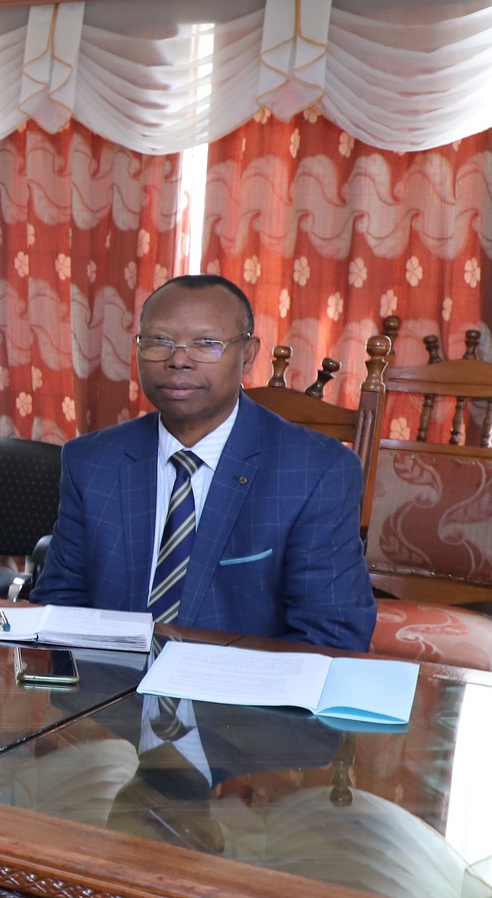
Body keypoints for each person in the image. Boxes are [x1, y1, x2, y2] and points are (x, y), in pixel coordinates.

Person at [32, 274, 375, 652]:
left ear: (248, 354)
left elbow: (331, 636)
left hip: (242, 703)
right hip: (106, 695)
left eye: (206, 344)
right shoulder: (91, 461)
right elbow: (57, 609)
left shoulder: (317, 471)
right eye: (159, 341)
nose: (178, 360)